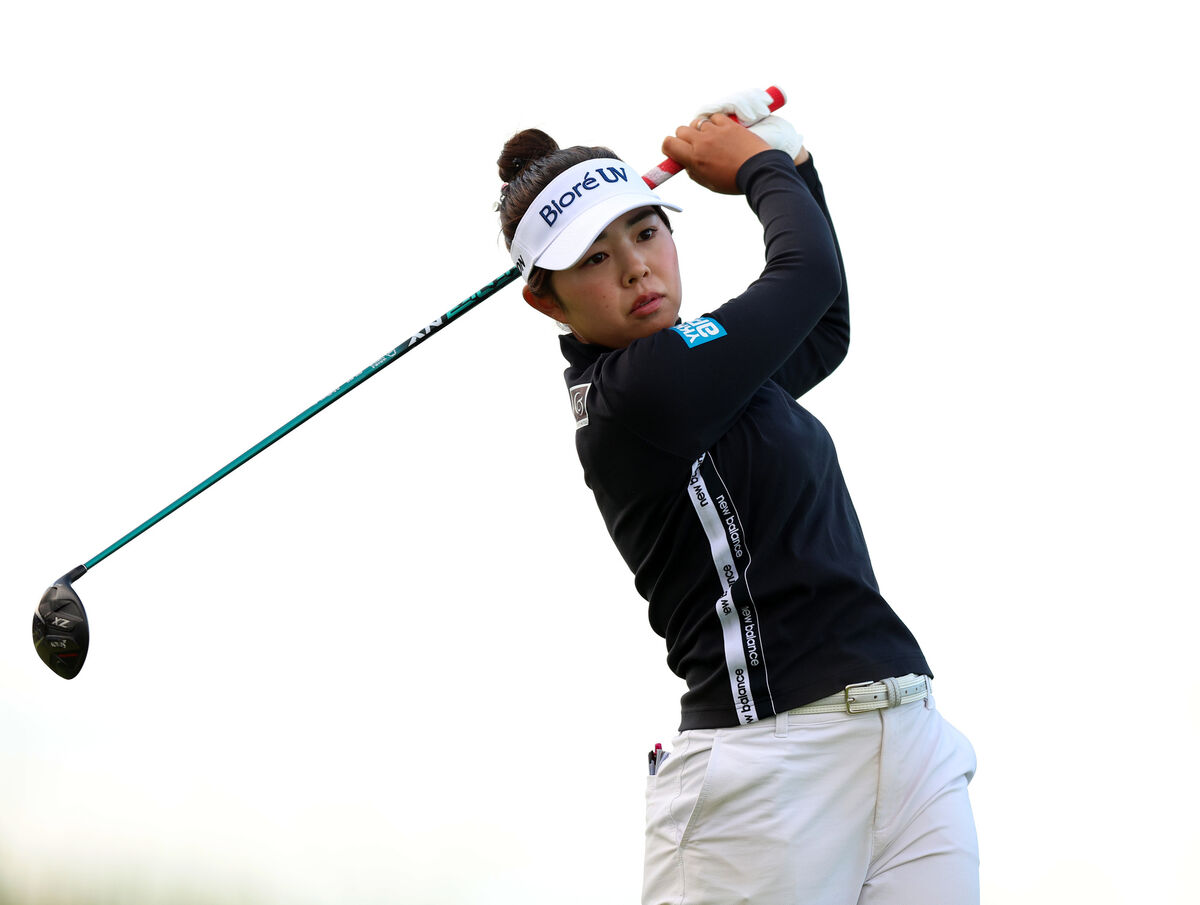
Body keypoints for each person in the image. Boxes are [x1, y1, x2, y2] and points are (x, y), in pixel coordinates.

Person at [495, 91, 979, 905]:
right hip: (764, 778)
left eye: (646, 231)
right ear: (547, 299)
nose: (636, 268)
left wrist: (795, 166)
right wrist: (760, 168)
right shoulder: (638, 394)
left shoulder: (709, 374)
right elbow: (804, 274)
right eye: (595, 259)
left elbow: (822, 323)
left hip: (907, 740)